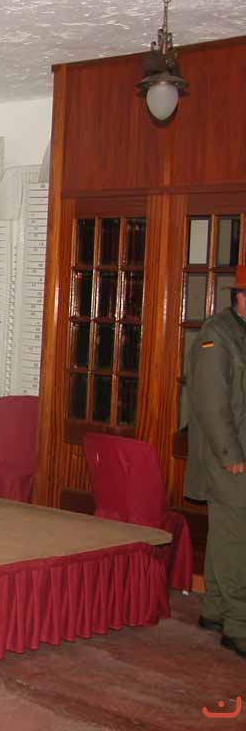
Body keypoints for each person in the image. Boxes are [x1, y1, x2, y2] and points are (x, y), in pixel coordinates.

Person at [186, 265, 246, 660]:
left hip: (239, 451)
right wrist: (231, 455)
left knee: (227, 534)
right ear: (241, 296)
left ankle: (213, 609)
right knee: (237, 539)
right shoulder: (217, 335)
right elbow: (211, 401)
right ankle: (239, 625)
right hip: (229, 456)